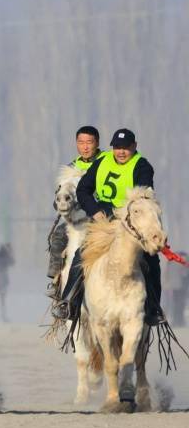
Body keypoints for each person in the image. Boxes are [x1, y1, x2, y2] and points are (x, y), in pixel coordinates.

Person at [52, 128, 165, 326]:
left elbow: (142, 197)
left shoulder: (142, 166)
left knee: (151, 259)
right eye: (117, 147)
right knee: (82, 253)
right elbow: (83, 189)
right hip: (102, 220)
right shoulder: (102, 162)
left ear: (134, 147)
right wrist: (94, 210)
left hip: (130, 223)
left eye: (126, 148)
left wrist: (127, 218)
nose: (121, 152)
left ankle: (153, 308)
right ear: (112, 147)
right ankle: (68, 301)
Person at [45, 125, 105, 299]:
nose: (85, 147)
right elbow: (60, 195)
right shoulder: (71, 166)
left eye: (89, 142)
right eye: (81, 142)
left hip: (103, 214)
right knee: (57, 235)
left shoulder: (106, 162)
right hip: (78, 219)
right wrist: (60, 204)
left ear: (97, 143)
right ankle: (56, 280)